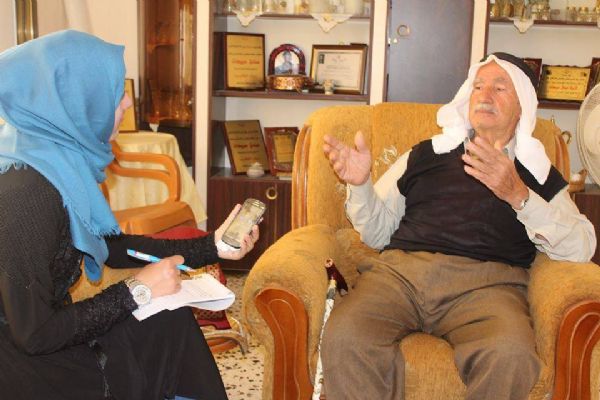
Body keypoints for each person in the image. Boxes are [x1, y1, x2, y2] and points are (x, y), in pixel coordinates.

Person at [321, 52, 596, 400]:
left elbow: (582, 246)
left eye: (500, 88)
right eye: (478, 86)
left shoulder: (537, 173)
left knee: (511, 356)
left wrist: (520, 196)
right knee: (346, 335)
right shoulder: (425, 154)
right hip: (400, 276)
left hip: (488, 288)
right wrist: (361, 185)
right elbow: (377, 234)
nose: (485, 95)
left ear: (522, 106)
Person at [0, 30, 259, 400]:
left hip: (41, 345)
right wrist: (136, 290)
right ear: (76, 100)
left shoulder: (53, 160)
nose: (125, 102)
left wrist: (212, 246)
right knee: (160, 331)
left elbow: (114, 247)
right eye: (114, 91)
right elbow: (35, 334)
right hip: (25, 369)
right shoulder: (27, 193)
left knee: (171, 319)